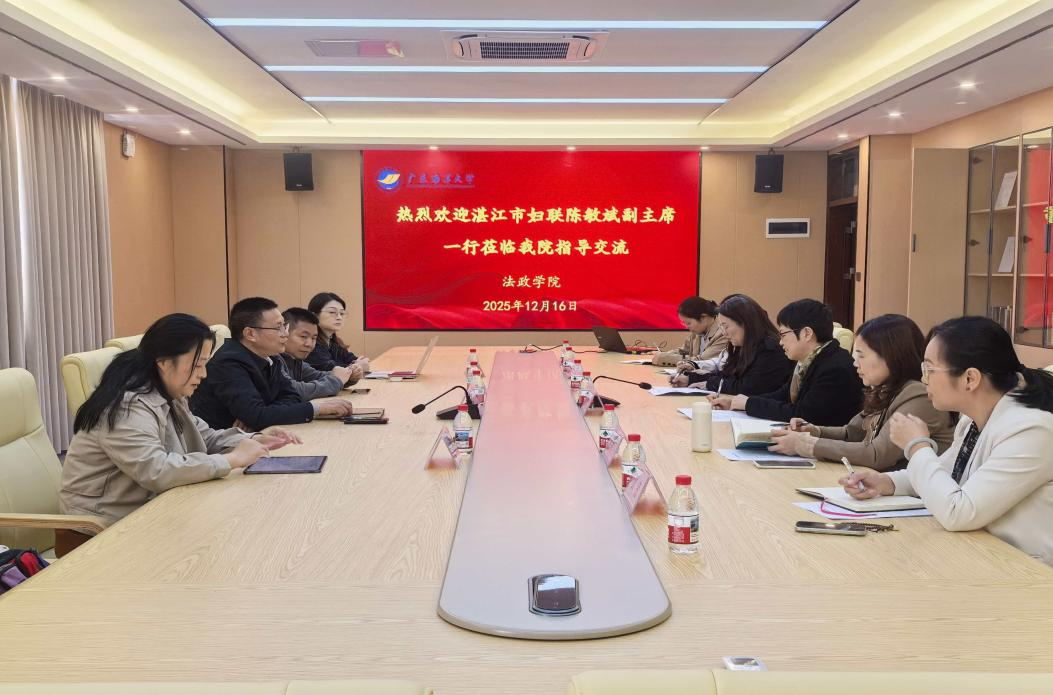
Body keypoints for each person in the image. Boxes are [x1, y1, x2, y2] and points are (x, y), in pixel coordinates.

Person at [60, 314, 301, 555]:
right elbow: (156, 470)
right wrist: (232, 459)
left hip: (150, 514)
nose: (203, 374)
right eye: (197, 365)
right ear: (164, 362)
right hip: (98, 533)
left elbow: (203, 435)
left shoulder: (166, 392)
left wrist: (253, 439)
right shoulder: (127, 406)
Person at [840, 316, 1053, 566]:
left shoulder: (1031, 429)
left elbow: (958, 511)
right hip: (983, 554)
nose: (924, 380)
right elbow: (945, 474)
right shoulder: (973, 418)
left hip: (1028, 570)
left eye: (930, 370)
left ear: (970, 379)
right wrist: (887, 482)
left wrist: (917, 446)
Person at [769, 313, 955, 468]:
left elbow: (877, 454)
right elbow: (852, 433)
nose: (855, 363)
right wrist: (813, 431)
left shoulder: (919, 395)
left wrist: (807, 444)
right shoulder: (886, 389)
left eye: (861, 356)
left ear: (891, 356)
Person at [190, 297, 354, 431]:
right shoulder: (228, 363)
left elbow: (292, 396)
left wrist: (266, 413)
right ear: (250, 333)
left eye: (284, 326)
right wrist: (316, 409)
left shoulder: (271, 357)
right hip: (221, 449)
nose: (285, 334)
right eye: (278, 328)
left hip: (255, 438)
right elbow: (257, 415)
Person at [709, 299, 862, 426]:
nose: (780, 342)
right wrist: (736, 402)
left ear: (807, 334)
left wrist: (748, 404)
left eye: (783, 334)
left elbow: (803, 414)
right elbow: (784, 394)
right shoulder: (810, 359)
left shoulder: (834, 368)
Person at [672, 294, 793, 395]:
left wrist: (709, 383)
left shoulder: (770, 349)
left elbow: (747, 387)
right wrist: (690, 379)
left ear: (744, 323)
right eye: (721, 327)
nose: (724, 333)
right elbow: (728, 375)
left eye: (726, 327)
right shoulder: (743, 345)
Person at [278, 307, 355, 400]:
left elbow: (317, 376)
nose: (309, 344)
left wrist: (348, 375)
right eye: (303, 336)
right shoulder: (273, 360)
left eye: (314, 338)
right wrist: (337, 380)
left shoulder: (296, 360)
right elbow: (295, 390)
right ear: (284, 333)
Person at [652, 296, 728, 368]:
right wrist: (662, 354)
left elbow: (702, 361)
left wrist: (665, 358)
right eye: (684, 323)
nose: (686, 327)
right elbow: (683, 351)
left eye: (688, 323)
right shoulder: (697, 332)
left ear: (703, 318)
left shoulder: (723, 334)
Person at [306, 292, 369, 378]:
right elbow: (332, 371)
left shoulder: (333, 341)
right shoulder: (310, 343)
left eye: (342, 313)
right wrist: (357, 366)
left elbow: (352, 359)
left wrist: (357, 364)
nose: (339, 317)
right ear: (314, 315)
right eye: (332, 312)